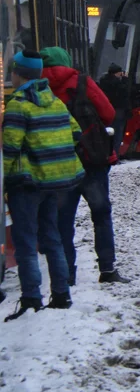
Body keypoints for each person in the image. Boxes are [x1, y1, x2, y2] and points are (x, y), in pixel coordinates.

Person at [3, 51, 84, 321]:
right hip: (55, 182)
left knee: (26, 242)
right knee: (52, 237)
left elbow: (10, 148)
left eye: (12, 71)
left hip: (26, 184)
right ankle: (61, 294)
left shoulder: (18, 104)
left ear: (19, 74)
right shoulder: (55, 102)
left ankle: (31, 299)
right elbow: (75, 132)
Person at [40, 47, 128, 286]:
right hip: (92, 160)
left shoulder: (37, 86)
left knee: (62, 221)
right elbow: (108, 114)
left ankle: (66, 273)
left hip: (59, 163)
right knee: (100, 214)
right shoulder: (80, 82)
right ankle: (107, 269)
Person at [98, 64, 131, 157]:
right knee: (118, 134)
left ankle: (108, 154)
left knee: (109, 133)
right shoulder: (117, 83)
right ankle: (115, 155)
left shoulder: (103, 81)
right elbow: (125, 93)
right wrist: (125, 80)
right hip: (119, 111)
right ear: (117, 73)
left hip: (107, 110)